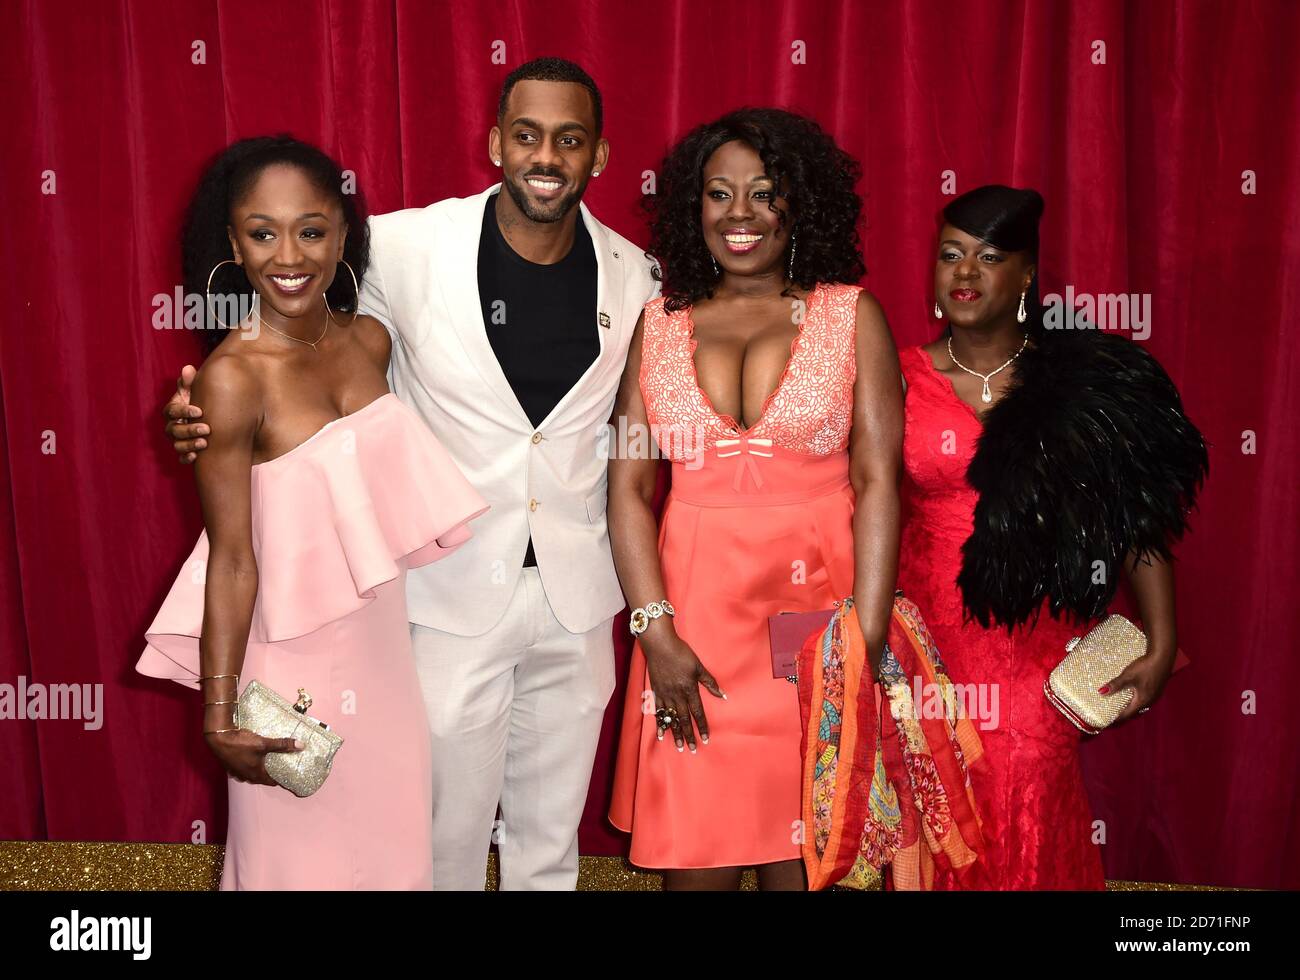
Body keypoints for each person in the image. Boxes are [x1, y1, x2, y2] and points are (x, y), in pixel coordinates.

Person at [162, 59, 658, 890]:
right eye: (527, 135)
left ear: (600, 156)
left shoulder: (636, 274)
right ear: (495, 141)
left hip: (576, 598)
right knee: (439, 843)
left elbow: (642, 428)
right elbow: (296, 321)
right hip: (441, 592)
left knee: (550, 847)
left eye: (569, 140)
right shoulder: (399, 245)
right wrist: (206, 410)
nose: (546, 156)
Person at [138, 136, 488, 889]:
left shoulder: (369, 341)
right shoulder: (230, 381)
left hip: (386, 667)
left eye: (312, 229)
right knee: (297, 870)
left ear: (343, 234)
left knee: (393, 864)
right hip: (287, 677)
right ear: (233, 242)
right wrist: (219, 712)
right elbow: (231, 559)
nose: (287, 255)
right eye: (262, 232)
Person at [606, 109, 904, 889]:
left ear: (798, 204)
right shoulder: (659, 324)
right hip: (691, 631)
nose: (738, 214)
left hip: (819, 624)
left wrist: (864, 640)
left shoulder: (850, 314)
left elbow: (878, 483)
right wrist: (655, 633)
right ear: (691, 207)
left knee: (804, 862)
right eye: (717, 194)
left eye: (763, 193)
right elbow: (630, 488)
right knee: (694, 863)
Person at [896, 184, 1207, 889]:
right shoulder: (901, 378)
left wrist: (1161, 640)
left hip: (1035, 653)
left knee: (1029, 805)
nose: (965, 273)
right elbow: (863, 507)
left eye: (990, 257)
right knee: (934, 824)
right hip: (925, 653)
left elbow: (1139, 520)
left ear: (1028, 274)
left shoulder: (1076, 384)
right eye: (951, 256)